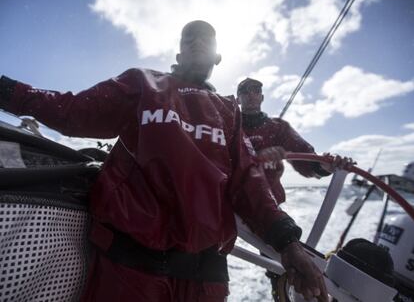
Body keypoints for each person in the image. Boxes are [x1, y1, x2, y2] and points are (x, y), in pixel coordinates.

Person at [0, 21, 328, 302]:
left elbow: (249, 182)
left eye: (206, 37)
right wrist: (9, 91)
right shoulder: (142, 85)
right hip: (130, 266)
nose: (197, 41)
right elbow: (71, 111)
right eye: (189, 38)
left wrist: (288, 243)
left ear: (217, 57)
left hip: (205, 277)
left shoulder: (229, 112)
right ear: (179, 55)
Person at [237, 77, 353, 300]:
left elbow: (308, 159)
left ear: (262, 96)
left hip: (266, 209)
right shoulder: (229, 123)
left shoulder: (277, 129)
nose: (251, 94)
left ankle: (282, 292)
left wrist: (325, 165)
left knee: (280, 267)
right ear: (239, 97)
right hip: (230, 204)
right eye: (245, 91)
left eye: (256, 90)